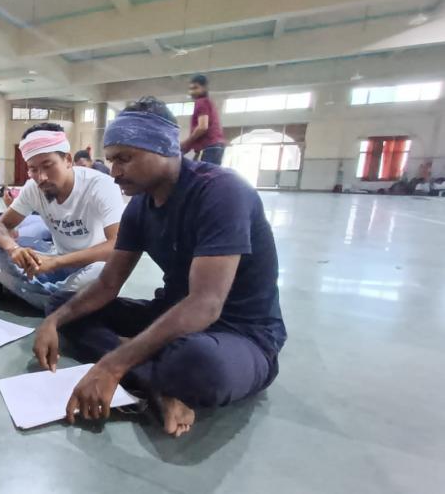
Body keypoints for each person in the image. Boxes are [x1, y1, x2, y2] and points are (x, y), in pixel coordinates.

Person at [35, 97, 286, 437]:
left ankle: (152, 368)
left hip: (240, 333)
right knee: (63, 305)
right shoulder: (140, 205)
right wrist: (53, 321)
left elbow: (205, 304)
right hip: (170, 314)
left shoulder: (222, 192)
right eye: (111, 160)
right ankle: (159, 386)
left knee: (198, 363)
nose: (115, 171)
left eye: (125, 158)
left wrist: (113, 365)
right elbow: (108, 284)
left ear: (166, 148)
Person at [0, 123, 124, 310]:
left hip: (88, 265)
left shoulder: (100, 185)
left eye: (47, 166)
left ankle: (43, 299)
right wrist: (14, 249)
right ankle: (59, 303)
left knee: (102, 270)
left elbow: (117, 245)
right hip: (55, 262)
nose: (41, 177)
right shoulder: (33, 188)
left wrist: (56, 262)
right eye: (33, 169)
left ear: (67, 160)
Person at [180, 74, 226, 165]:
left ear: (204, 88)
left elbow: (202, 127)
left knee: (200, 176)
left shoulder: (201, 102)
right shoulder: (208, 102)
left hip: (208, 147)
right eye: (190, 89)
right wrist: (185, 148)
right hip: (215, 146)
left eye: (195, 88)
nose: (192, 92)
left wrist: (186, 142)